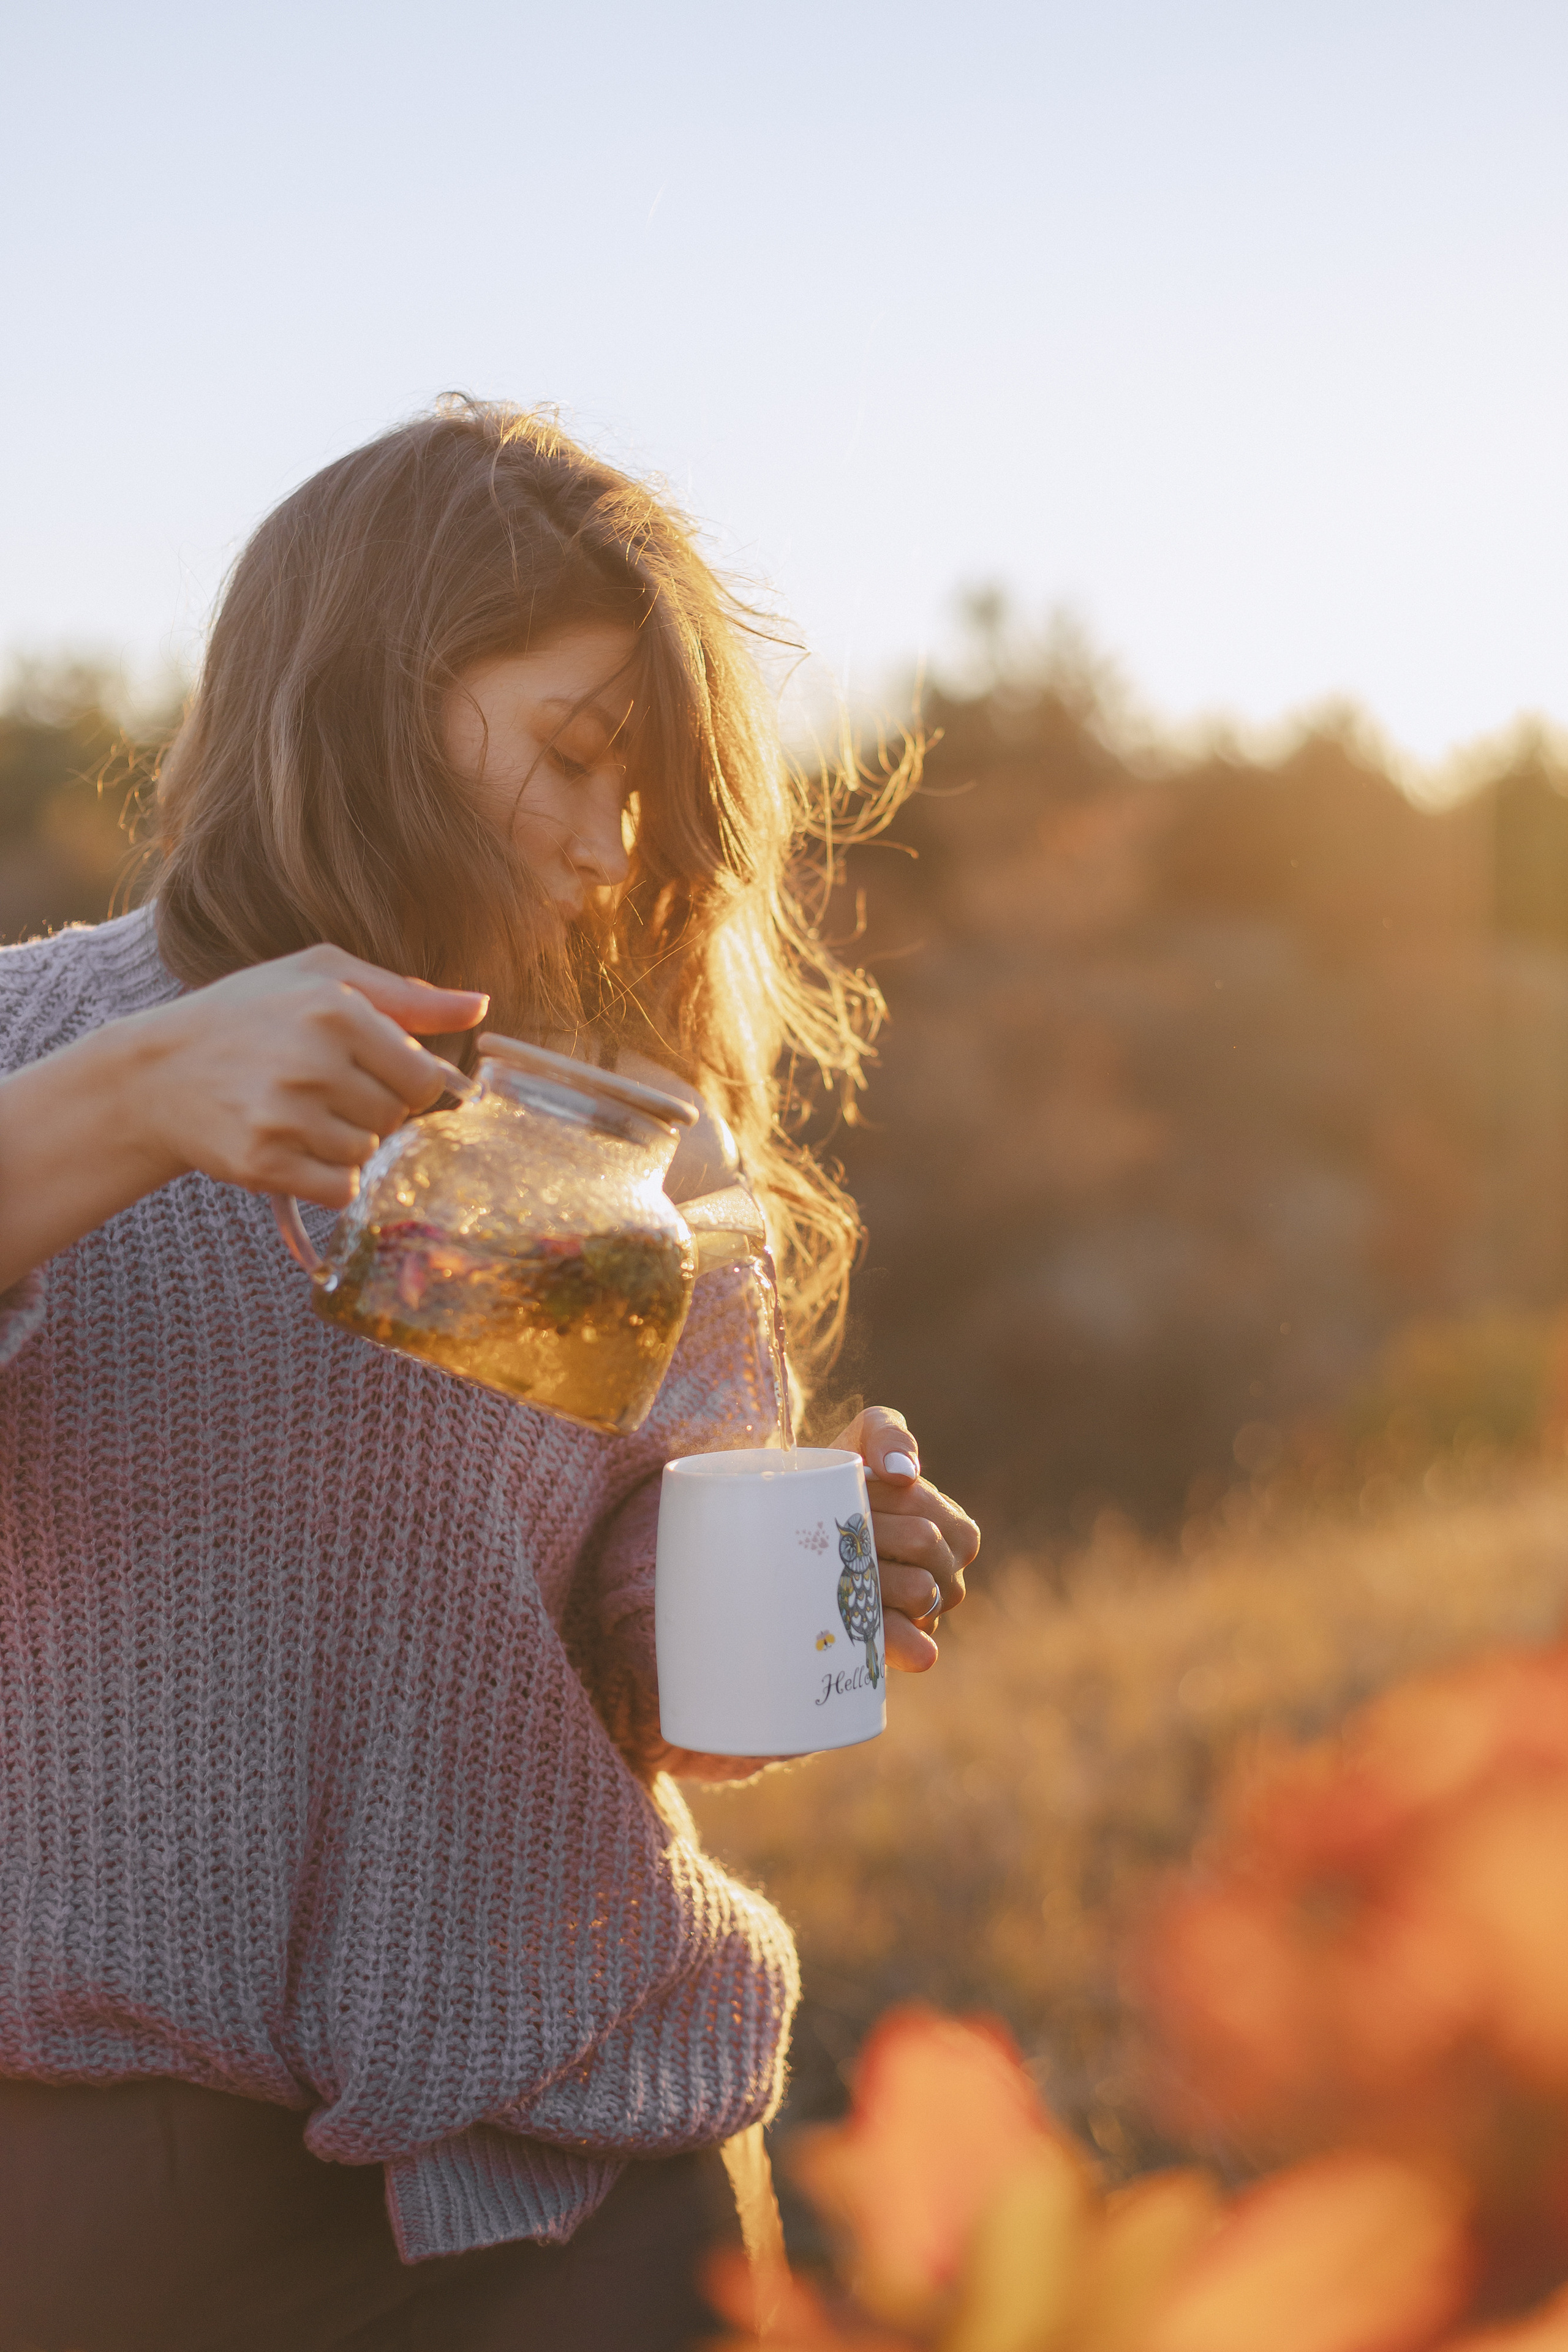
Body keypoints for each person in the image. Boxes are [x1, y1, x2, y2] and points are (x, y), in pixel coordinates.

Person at [0, 399, 979, 2352]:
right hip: (98, 2191)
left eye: (647, 807)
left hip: (578, 2176)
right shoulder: (44, 1043)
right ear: (371, 685)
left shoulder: (613, 1151)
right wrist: (129, 1100)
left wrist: (800, 1564)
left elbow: (648, 1666)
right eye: (574, 756)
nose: (609, 852)